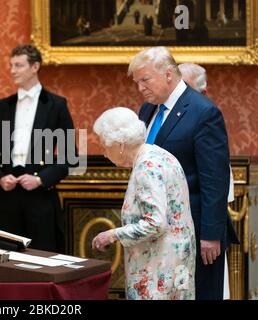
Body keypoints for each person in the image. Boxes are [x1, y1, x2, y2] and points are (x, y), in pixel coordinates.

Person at [130, 46, 239, 299]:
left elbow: (215, 180)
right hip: (158, 229)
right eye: (137, 82)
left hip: (195, 231)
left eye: (145, 80)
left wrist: (211, 235)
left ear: (169, 74)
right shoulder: (148, 109)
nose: (140, 88)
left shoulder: (203, 112)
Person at [92, 107, 196, 300]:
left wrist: (113, 234)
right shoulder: (161, 155)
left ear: (120, 144)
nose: (105, 154)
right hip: (177, 264)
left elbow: (155, 223)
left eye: (105, 147)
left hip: (156, 272)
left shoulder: (146, 168)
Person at [0, 44, 76, 253]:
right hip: (8, 196)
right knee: (9, 258)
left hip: (40, 195)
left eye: (18, 65)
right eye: (11, 65)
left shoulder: (56, 105)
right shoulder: (3, 106)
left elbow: (70, 155)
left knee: (43, 256)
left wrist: (40, 179)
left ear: (35, 67)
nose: (12, 70)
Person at [178, 62, 235, 299]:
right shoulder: (153, 110)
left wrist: (210, 234)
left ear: (202, 93)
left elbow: (215, 183)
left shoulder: (206, 116)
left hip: (203, 228)